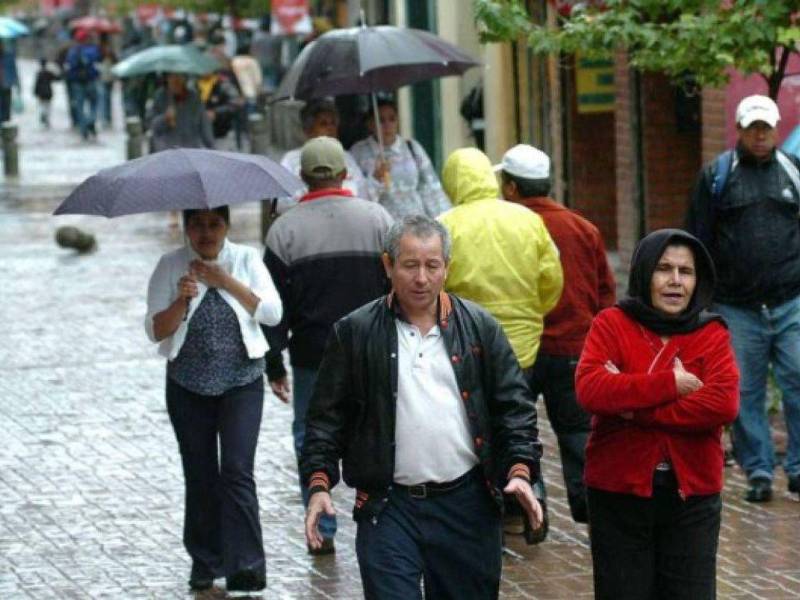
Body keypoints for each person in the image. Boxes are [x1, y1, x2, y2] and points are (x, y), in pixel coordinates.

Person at [301, 214, 544, 599]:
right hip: (388, 506)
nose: (421, 278)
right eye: (410, 265)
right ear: (388, 265)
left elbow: (514, 408)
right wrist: (318, 486)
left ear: (447, 268)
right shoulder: (355, 332)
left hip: (467, 505)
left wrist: (519, 470)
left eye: (432, 266)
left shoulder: (480, 327)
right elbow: (325, 421)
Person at [575, 229, 739, 600]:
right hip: (617, 491)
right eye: (664, 269)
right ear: (644, 272)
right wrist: (668, 384)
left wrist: (633, 408)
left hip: (692, 496)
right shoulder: (611, 324)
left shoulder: (711, 333)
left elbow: (722, 404)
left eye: (686, 271)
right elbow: (591, 390)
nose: (676, 281)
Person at [263, 136, 393, 555]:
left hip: (311, 356)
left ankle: (322, 525)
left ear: (302, 176)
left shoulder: (284, 230)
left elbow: (274, 307)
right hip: (373, 351)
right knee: (377, 430)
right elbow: (399, 287)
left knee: (311, 436)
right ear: (344, 173)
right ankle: (381, 515)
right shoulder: (378, 220)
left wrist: (274, 363)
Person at [145, 206, 283, 593]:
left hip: (242, 382)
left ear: (227, 225)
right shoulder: (171, 265)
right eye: (198, 225)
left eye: (214, 224)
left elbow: (272, 313)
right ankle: (205, 562)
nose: (206, 233)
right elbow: (156, 330)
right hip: (188, 385)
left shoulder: (245, 259)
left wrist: (226, 282)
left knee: (237, 470)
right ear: (187, 228)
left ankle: (247, 566)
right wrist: (181, 301)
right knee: (200, 474)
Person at [438, 147, 563, 541]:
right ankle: (532, 490)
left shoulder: (444, 226)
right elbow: (552, 278)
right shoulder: (527, 220)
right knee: (518, 416)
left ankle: (494, 500)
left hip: (467, 343)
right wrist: (533, 312)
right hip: (522, 342)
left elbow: (435, 287)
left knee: (478, 423)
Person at [687, 94, 800, 502]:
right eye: (752, 127)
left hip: (791, 301)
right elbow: (696, 238)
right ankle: (758, 471)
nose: (760, 135)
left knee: (798, 381)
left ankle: (799, 467)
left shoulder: (793, 171)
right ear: (739, 129)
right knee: (745, 391)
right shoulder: (716, 176)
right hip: (736, 306)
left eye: (766, 128)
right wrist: (701, 302)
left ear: (775, 129)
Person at [497, 144, 616, 524]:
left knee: (517, 428)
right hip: (574, 349)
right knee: (579, 431)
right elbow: (605, 294)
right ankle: (590, 506)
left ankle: (530, 503)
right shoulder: (584, 228)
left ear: (512, 187)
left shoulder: (506, 229)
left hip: (521, 348)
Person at [350, 98, 451, 219]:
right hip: (383, 225)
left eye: (392, 119)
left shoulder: (412, 147)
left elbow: (431, 188)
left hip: (415, 223)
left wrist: (443, 219)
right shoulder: (359, 152)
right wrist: (376, 178)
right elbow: (357, 194)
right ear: (371, 124)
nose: (387, 125)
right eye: (381, 120)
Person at [278, 98, 368, 212]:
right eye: (323, 124)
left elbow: (362, 195)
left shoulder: (347, 158)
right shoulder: (291, 160)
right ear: (308, 130)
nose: (330, 128)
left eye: (333, 123)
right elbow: (281, 204)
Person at [149, 73, 215, 152]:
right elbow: (152, 126)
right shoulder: (160, 97)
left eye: (179, 76)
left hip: (191, 150)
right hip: (167, 151)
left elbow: (205, 127)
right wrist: (165, 118)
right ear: (167, 79)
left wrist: (212, 149)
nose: (176, 80)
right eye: (172, 76)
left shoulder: (194, 97)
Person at [64, 29, 101, 140]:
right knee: (94, 104)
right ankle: (91, 120)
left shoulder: (73, 51)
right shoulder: (93, 50)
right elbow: (97, 62)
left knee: (80, 107)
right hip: (91, 80)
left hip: (77, 83)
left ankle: (83, 128)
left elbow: (69, 66)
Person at [33, 58, 60, 128]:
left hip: (41, 93)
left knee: (42, 105)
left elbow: (36, 84)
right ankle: (46, 117)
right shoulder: (49, 73)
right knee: (48, 106)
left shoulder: (39, 73)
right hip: (48, 92)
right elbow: (57, 78)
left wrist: (35, 92)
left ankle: (44, 115)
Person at [0, 39, 20, 123]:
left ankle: (4, 126)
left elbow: (14, 70)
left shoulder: (9, 56)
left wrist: (18, 85)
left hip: (6, 85)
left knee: (6, 107)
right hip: (5, 84)